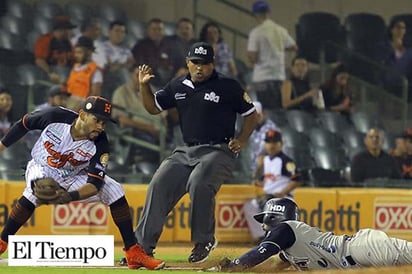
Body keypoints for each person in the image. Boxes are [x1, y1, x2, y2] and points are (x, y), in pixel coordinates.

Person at [0, 96, 165, 270]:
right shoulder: (54, 116)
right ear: (83, 115)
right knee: (41, 187)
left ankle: (133, 252)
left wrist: (69, 196)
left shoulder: (100, 142)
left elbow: (95, 184)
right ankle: (2, 242)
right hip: (42, 166)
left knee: (115, 190)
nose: (101, 127)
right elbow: (24, 124)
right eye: (97, 120)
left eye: (104, 123)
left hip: (74, 176)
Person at [134, 41, 258, 264]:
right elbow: (153, 108)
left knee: (199, 182)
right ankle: (142, 248)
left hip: (219, 150)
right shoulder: (178, 85)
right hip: (186, 150)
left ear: (213, 64)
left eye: (205, 64)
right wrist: (144, 86)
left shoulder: (227, 86)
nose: (200, 68)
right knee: (158, 183)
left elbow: (251, 113)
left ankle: (204, 241)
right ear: (188, 63)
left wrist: (241, 139)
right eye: (195, 63)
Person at [207, 197, 412, 272]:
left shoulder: (286, 228)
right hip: (358, 257)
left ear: (275, 216)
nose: (263, 226)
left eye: (265, 220)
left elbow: (261, 253)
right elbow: (272, 266)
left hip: (362, 249)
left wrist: (234, 265)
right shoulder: (289, 247)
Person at [243, 130, 301, 243]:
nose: (271, 145)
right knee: (250, 206)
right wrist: (260, 172)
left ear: (280, 144)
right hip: (268, 197)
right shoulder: (264, 160)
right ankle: (261, 238)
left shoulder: (286, 161)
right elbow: (266, 180)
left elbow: (297, 180)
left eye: (274, 142)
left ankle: (278, 239)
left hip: (283, 199)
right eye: (269, 142)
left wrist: (282, 192)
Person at [247, 0, 297, 110]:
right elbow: (294, 47)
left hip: (263, 78)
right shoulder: (281, 30)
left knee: (265, 112)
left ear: (255, 14)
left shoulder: (256, 33)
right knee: (277, 112)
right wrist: (277, 50)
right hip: (279, 77)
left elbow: (253, 58)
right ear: (268, 13)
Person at [111, 66, 167, 162]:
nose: (141, 78)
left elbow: (164, 117)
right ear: (131, 75)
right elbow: (122, 120)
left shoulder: (155, 91)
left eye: (145, 75)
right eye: (137, 75)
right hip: (137, 133)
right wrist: (149, 128)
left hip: (160, 134)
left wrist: (163, 131)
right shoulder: (122, 92)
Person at [132, 18, 180, 89]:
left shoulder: (170, 45)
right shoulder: (141, 46)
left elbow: (176, 61)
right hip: (150, 79)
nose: (157, 32)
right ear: (148, 30)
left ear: (163, 31)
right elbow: (140, 65)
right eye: (154, 29)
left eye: (160, 29)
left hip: (170, 78)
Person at [34, 16, 76, 84]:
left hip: (68, 76)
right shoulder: (45, 40)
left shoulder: (71, 42)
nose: (70, 32)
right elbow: (39, 60)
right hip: (49, 77)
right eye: (68, 29)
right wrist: (50, 73)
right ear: (61, 30)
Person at [66, 36, 103, 110]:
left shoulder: (95, 70)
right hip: (69, 102)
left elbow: (95, 95)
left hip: (82, 106)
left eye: (79, 52)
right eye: (75, 52)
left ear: (89, 52)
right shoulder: (75, 67)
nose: (76, 55)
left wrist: (81, 108)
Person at [247, 101, 279, 174]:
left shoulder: (271, 130)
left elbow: (264, 157)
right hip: (255, 171)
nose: (254, 119)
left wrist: (256, 176)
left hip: (271, 172)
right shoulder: (252, 129)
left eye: (257, 116)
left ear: (263, 114)